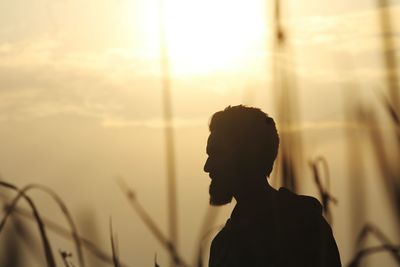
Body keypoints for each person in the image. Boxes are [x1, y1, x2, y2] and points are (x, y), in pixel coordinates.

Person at [204, 105, 341, 267]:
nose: (207, 166)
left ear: (247, 156)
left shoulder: (303, 226)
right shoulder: (222, 245)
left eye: (217, 153)